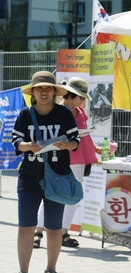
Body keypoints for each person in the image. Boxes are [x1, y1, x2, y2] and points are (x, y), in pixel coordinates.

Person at [9, 71, 79, 273]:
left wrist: (67, 145)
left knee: (54, 227)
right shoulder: (24, 114)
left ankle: (51, 269)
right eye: (39, 88)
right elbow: (16, 143)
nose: (44, 92)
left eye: (48, 88)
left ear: (54, 92)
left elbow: (75, 140)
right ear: (33, 92)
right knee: (25, 226)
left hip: (57, 177)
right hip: (29, 177)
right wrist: (29, 146)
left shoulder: (64, 114)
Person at [34, 77, 98, 248]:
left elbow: (84, 137)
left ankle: (63, 232)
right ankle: (38, 231)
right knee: (49, 194)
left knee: (73, 197)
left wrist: (96, 149)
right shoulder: (56, 110)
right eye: (81, 97)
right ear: (72, 95)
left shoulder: (80, 112)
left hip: (78, 160)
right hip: (58, 159)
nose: (82, 100)